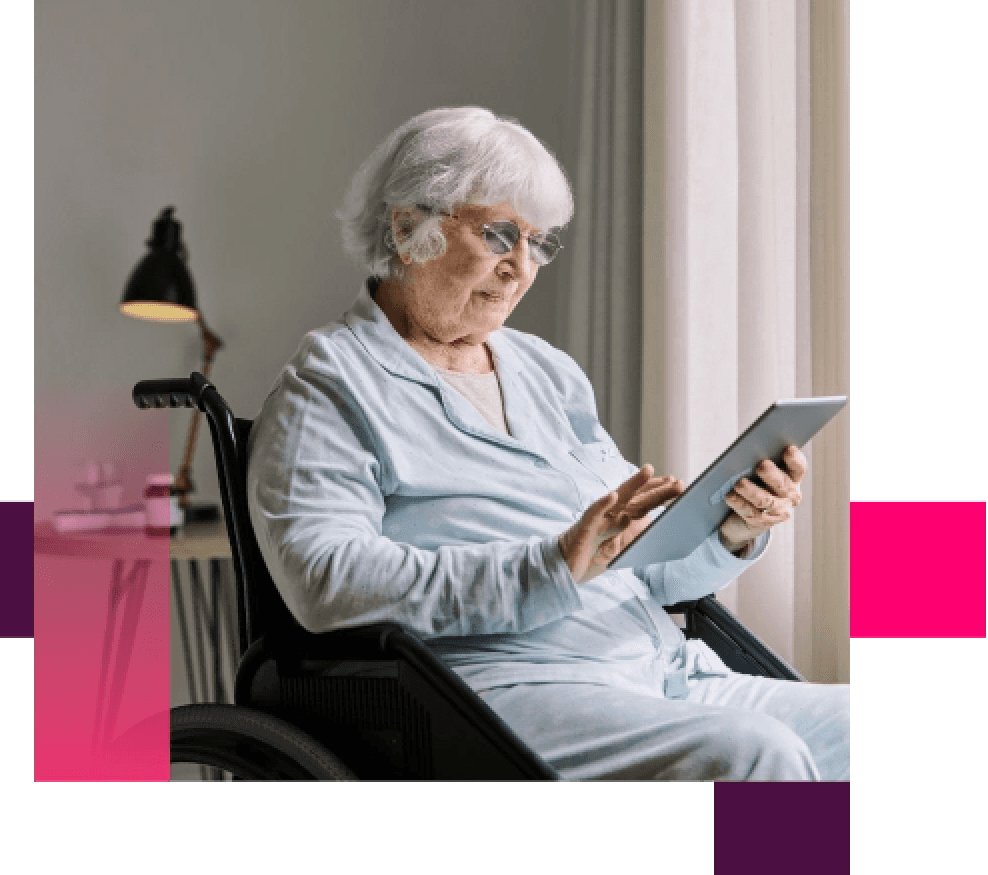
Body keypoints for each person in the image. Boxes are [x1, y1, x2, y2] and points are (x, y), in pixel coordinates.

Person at [247, 106, 849, 781]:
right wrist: (548, 568)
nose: (521, 267)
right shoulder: (329, 385)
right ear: (406, 224)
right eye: (500, 234)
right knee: (757, 757)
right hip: (500, 696)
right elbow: (329, 581)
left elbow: (639, 564)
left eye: (538, 242)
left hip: (657, 670)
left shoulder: (546, 372)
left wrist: (730, 529)